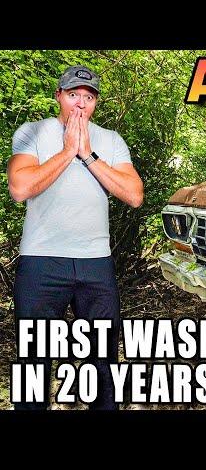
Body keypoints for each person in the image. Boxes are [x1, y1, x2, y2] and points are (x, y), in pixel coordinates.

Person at [7, 65, 144, 410]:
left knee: (102, 363)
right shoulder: (32, 132)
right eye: (73, 96)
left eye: (88, 97)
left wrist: (87, 154)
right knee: (34, 364)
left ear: (95, 102)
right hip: (41, 262)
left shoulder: (111, 140)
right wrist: (68, 150)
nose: (80, 104)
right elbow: (20, 188)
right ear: (59, 97)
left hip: (95, 264)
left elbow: (134, 194)